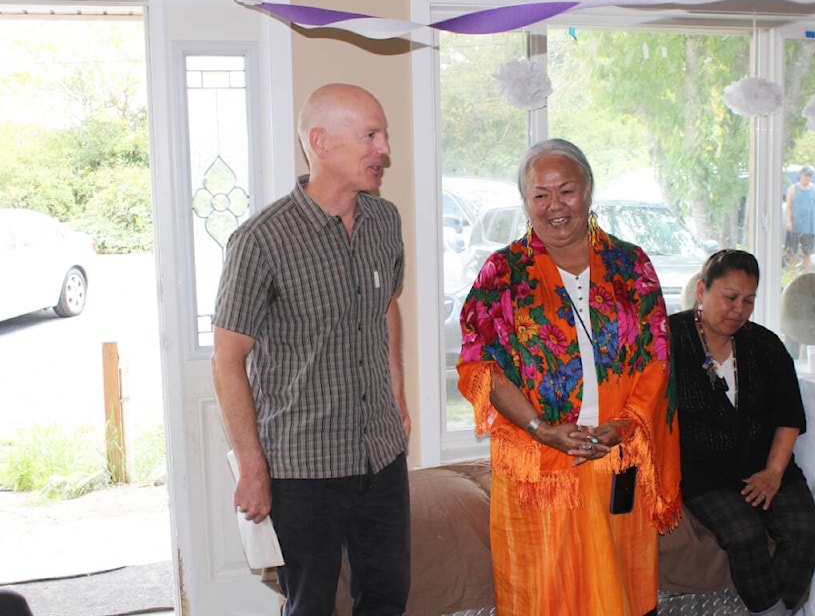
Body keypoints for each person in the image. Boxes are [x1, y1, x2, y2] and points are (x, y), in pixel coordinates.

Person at [457, 138, 681, 616]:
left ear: (589, 191)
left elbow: (658, 358)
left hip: (614, 458)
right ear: (526, 202)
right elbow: (484, 367)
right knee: (544, 594)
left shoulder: (631, 265)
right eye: (540, 194)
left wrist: (622, 427)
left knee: (616, 593)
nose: (555, 205)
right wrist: (541, 428)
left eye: (566, 191)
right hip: (535, 466)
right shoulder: (503, 272)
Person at [211, 83, 411, 616]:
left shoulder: (384, 222)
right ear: (319, 142)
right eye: (370, 135)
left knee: (388, 598)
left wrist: (398, 392)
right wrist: (253, 470)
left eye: (383, 134)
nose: (384, 149)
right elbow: (228, 360)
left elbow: (386, 305)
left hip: (381, 453)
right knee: (310, 606)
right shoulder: (261, 241)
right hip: (303, 468)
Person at [669, 249, 815, 616]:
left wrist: (773, 473)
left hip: (765, 463)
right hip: (703, 470)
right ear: (702, 291)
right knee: (744, 534)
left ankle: (774, 611)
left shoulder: (765, 346)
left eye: (749, 300)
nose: (739, 309)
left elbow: (789, 417)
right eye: (730, 297)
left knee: (805, 532)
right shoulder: (670, 340)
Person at [783, 166, 815, 272]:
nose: (808, 178)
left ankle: (807, 272)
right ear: (800, 176)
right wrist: (788, 220)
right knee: (793, 251)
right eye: (806, 175)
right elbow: (788, 206)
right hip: (795, 224)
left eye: (809, 176)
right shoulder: (793, 189)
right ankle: (792, 272)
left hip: (808, 225)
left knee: (807, 252)